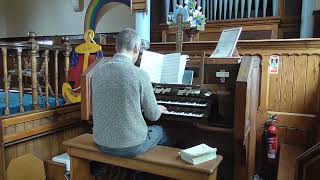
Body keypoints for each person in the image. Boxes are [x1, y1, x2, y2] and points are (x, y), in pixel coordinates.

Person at [91, 28, 169, 158]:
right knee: (162, 132)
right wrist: (158, 109)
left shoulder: (98, 71)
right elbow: (153, 116)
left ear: (116, 47)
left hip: (101, 142)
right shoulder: (140, 74)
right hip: (131, 146)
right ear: (137, 48)